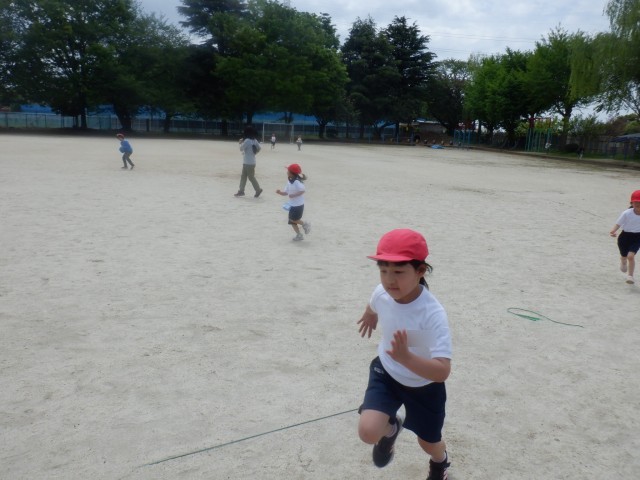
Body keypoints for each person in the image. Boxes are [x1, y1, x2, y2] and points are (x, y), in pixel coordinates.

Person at [357, 229, 452, 480]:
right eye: (383, 270)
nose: (389, 280)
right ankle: (391, 429)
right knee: (368, 432)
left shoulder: (433, 314)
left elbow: (442, 371)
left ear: (421, 271)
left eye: (398, 272)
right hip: (387, 372)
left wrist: (407, 358)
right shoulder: (382, 293)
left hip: (424, 386)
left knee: (428, 443)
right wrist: (370, 314)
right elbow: (374, 302)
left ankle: (440, 462)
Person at [610, 190, 640, 284]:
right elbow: (618, 224)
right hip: (624, 236)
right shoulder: (626, 213)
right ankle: (623, 260)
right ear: (632, 203)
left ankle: (630, 276)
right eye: (636, 202)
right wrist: (613, 230)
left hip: (637, 237)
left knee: (630, 256)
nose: (638, 205)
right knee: (624, 255)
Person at [276, 163, 311, 241]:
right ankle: (299, 235)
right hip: (292, 205)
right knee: (292, 221)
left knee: (293, 219)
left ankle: (305, 224)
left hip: (298, 205)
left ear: (292, 173)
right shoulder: (289, 182)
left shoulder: (297, 182)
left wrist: (294, 195)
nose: (287, 172)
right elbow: (286, 193)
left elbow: (302, 190)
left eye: (288, 170)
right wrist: (280, 192)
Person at [235, 126, 263, 198]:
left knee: (250, 177)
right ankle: (241, 191)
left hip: (247, 162)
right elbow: (259, 148)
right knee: (244, 176)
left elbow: (241, 149)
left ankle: (258, 190)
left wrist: (240, 143)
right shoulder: (254, 140)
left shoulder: (247, 140)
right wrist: (254, 153)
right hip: (251, 162)